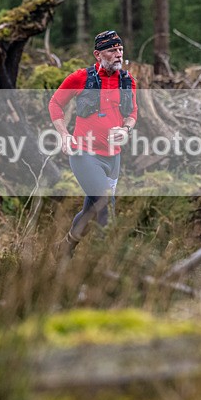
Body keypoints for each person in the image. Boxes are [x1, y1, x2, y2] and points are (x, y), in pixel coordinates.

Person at [48, 30, 138, 256]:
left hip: (113, 157)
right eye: (112, 50)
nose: (118, 54)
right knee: (105, 206)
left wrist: (126, 129)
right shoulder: (80, 78)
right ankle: (108, 264)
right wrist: (63, 134)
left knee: (90, 211)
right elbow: (55, 104)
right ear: (98, 54)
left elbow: (133, 112)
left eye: (120, 50)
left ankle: (64, 248)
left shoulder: (127, 81)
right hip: (83, 153)